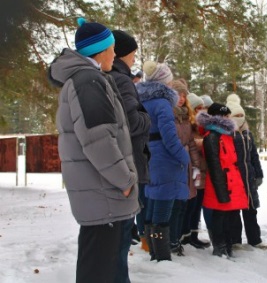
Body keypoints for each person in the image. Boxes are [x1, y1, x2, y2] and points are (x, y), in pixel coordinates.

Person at [48, 18, 139, 283]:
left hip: (102, 195)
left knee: (105, 270)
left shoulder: (89, 79)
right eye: (112, 48)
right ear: (101, 50)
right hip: (105, 195)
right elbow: (98, 140)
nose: (115, 54)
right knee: (99, 273)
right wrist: (125, 180)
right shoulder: (88, 80)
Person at [108, 29, 151, 282]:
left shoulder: (106, 76)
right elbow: (132, 122)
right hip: (128, 160)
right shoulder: (122, 80)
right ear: (123, 54)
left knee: (116, 235)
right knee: (122, 234)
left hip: (117, 161)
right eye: (133, 54)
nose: (134, 59)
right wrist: (148, 118)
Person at [136, 61, 189, 261]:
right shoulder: (163, 104)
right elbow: (169, 138)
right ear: (164, 82)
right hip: (165, 161)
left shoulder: (142, 101)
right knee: (162, 213)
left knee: (152, 207)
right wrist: (183, 158)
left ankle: (154, 253)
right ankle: (162, 257)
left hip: (148, 157)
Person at [196, 103, 248, 258]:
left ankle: (228, 244)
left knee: (230, 215)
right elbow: (214, 165)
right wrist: (221, 189)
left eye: (227, 116)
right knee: (219, 215)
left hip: (232, 181)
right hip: (220, 182)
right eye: (223, 116)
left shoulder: (229, 135)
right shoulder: (212, 137)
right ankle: (220, 246)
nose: (226, 118)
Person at [225, 94, 267, 250]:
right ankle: (235, 239)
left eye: (240, 116)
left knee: (251, 210)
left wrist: (258, 174)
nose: (238, 119)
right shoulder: (227, 135)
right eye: (234, 116)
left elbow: (254, 156)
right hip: (234, 179)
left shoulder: (248, 135)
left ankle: (255, 239)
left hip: (249, 178)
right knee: (234, 211)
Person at [167, 80, 202, 255]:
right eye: (178, 95)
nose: (181, 98)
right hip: (173, 164)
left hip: (186, 165)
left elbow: (191, 144)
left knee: (182, 203)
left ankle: (177, 239)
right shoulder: (168, 115)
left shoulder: (186, 117)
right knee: (173, 205)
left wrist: (195, 165)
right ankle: (171, 240)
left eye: (183, 95)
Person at [179, 92, 211, 249]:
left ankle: (193, 234)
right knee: (189, 205)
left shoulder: (202, 125)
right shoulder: (188, 125)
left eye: (203, 108)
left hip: (202, 171)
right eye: (198, 108)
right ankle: (184, 235)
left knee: (197, 204)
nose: (202, 110)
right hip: (191, 169)